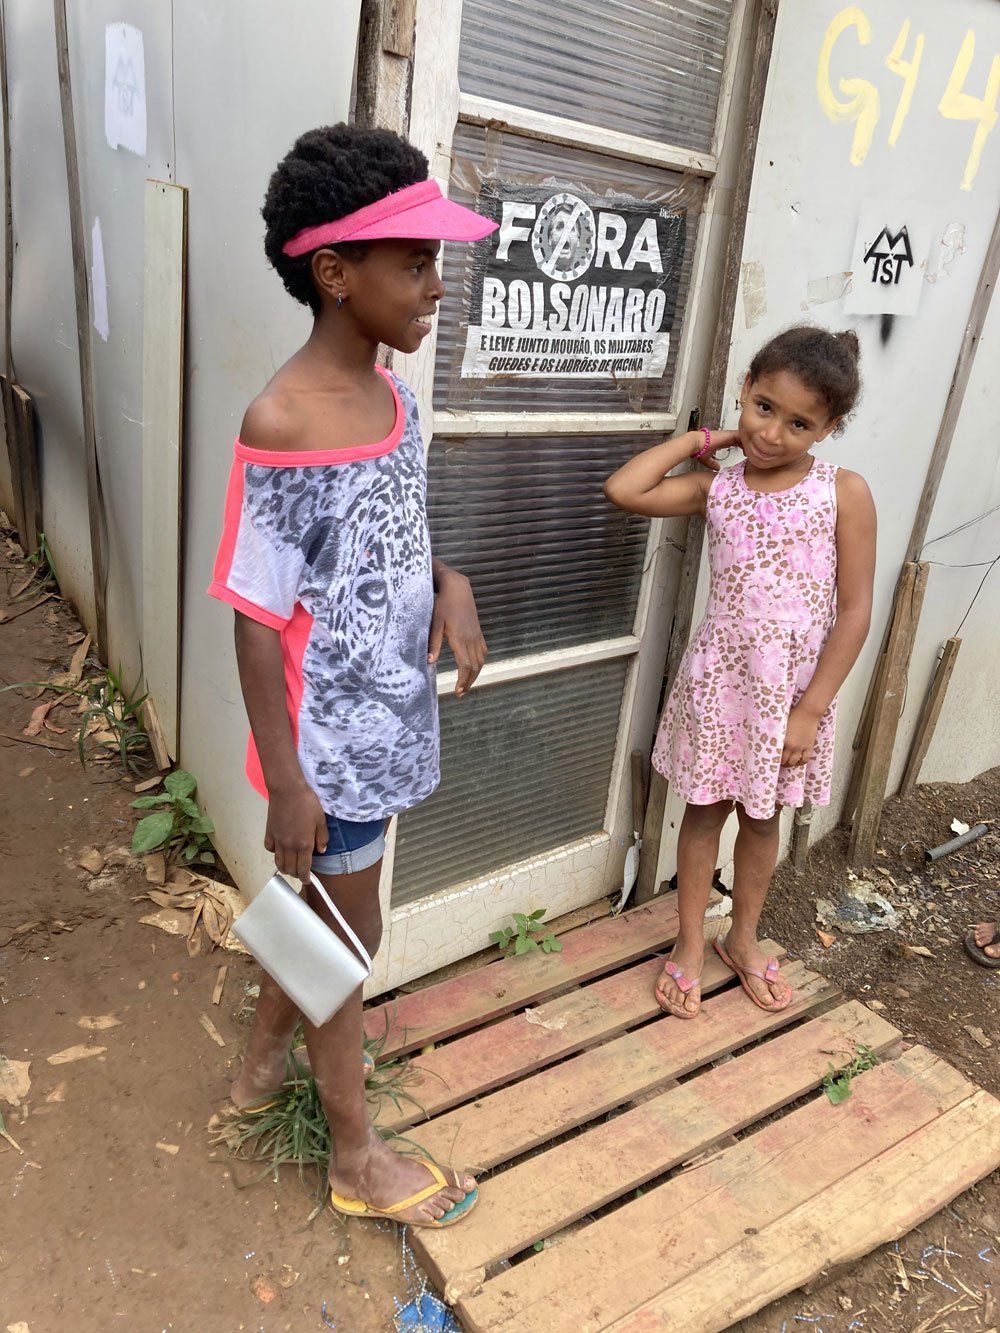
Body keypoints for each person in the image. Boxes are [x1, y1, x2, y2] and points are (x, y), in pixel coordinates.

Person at [208, 124, 496, 1226]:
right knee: (346, 939)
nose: (436, 286)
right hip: (322, 748)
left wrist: (448, 580)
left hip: (386, 723)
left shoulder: (394, 397)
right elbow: (253, 617)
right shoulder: (282, 422)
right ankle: (354, 1156)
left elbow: (381, 539)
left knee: (335, 923)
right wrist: (286, 780)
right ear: (334, 273)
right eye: (415, 264)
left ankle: (258, 1068)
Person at [605, 325, 875, 1019]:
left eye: (799, 423)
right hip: (722, 686)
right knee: (702, 814)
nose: (773, 433)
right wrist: (710, 440)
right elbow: (625, 488)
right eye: (763, 407)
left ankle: (743, 937)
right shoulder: (717, 488)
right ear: (745, 389)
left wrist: (810, 711)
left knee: (761, 819)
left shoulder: (842, 492)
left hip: (791, 696)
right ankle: (691, 941)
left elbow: (854, 613)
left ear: (829, 428)